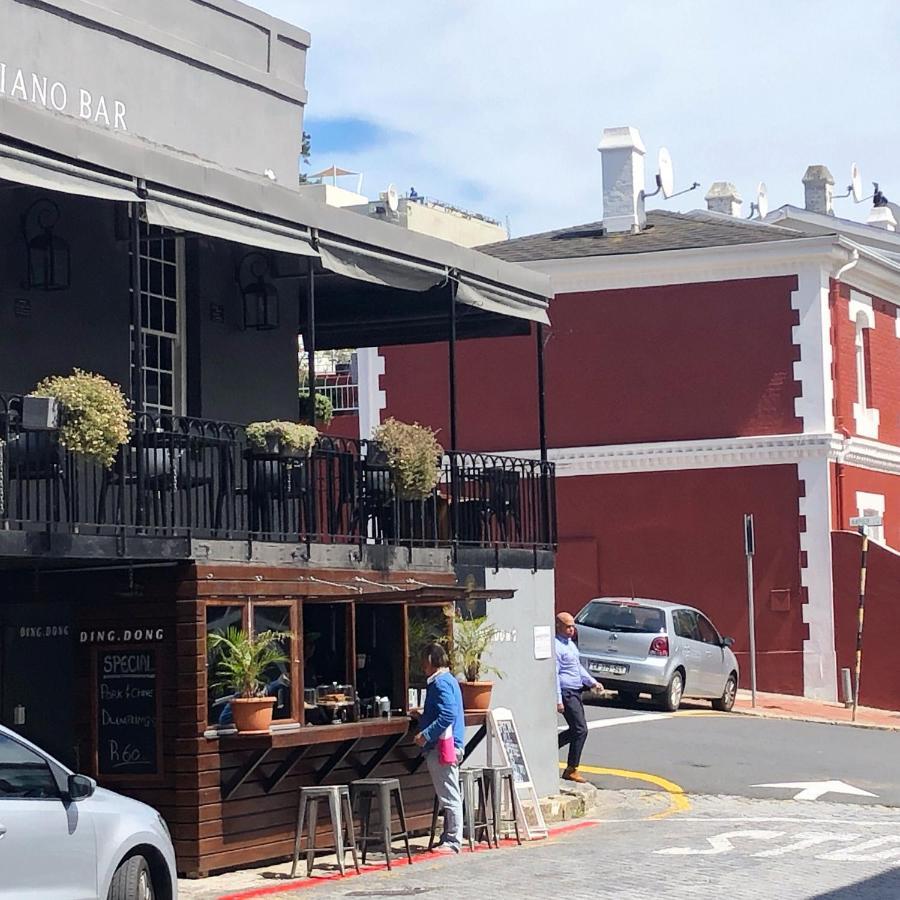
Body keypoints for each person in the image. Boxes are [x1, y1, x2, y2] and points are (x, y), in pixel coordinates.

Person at [413, 642, 464, 854]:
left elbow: (448, 714)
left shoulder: (440, 683)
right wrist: (424, 715)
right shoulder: (449, 680)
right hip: (451, 743)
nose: (423, 667)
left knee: (449, 794)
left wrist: (425, 735)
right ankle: (449, 837)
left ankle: (453, 840)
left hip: (443, 746)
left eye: (425, 663)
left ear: (431, 662)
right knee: (449, 792)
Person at [556, 611, 602, 783]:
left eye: (573, 627)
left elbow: (577, 668)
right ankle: (572, 768)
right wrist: (558, 699)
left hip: (576, 690)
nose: (571, 630)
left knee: (577, 729)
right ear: (559, 626)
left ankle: (548, 748)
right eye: (568, 626)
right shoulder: (557, 647)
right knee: (580, 729)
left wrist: (592, 682)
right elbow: (554, 674)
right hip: (566, 691)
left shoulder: (571, 645)